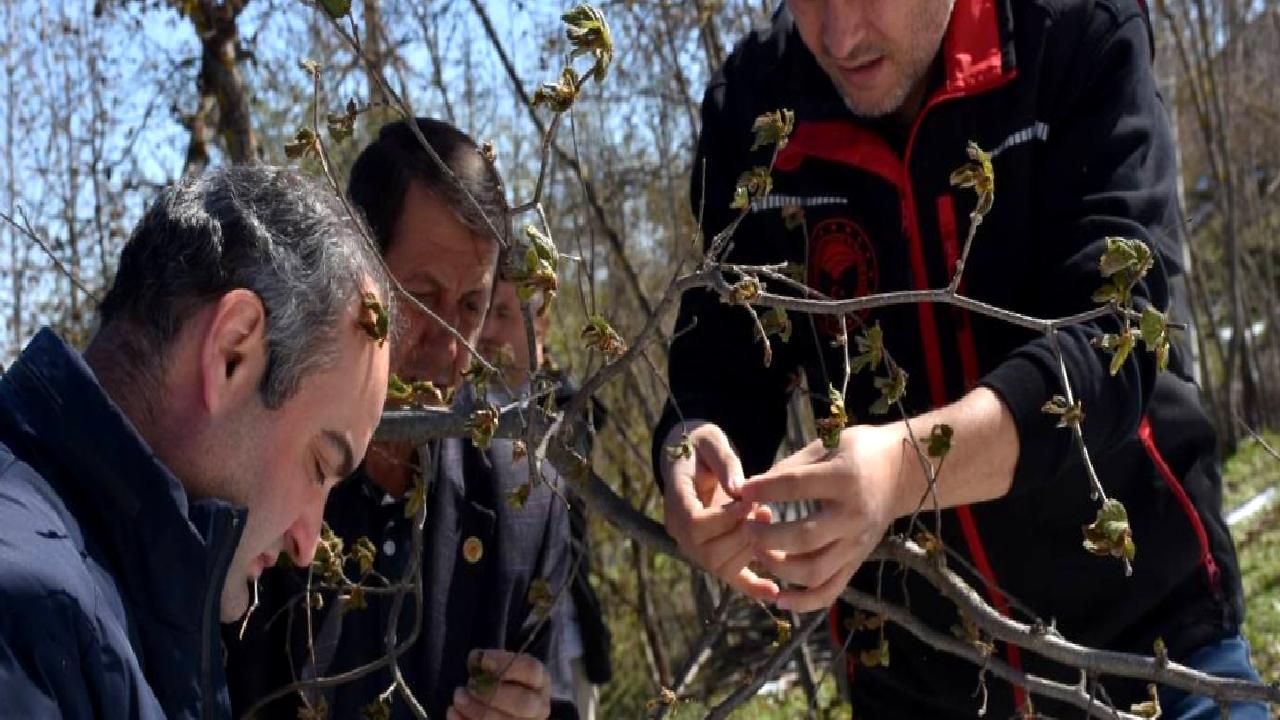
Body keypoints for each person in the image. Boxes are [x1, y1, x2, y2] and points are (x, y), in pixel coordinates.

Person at [653, 1, 1264, 717]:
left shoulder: (1073, 29)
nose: (839, 35)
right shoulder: (755, 106)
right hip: (917, 679)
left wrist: (904, 469)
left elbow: (1115, 336)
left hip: (1148, 644)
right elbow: (721, 365)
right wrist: (688, 451)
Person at [0, 165, 393, 719]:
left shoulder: (111, 610)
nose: (308, 545)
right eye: (320, 463)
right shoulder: (30, 621)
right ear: (232, 352)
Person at [226, 118, 576, 720]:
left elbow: (555, 690)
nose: (449, 345)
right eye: (420, 298)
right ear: (359, 281)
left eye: (470, 306)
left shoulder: (526, 505)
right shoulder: (258, 468)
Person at [479, 281, 613, 720]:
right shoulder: (469, 414)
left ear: (540, 326)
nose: (489, 331)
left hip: (568, 649)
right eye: (482, 313)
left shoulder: (569, 411)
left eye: (505, 314)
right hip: (497, 654)